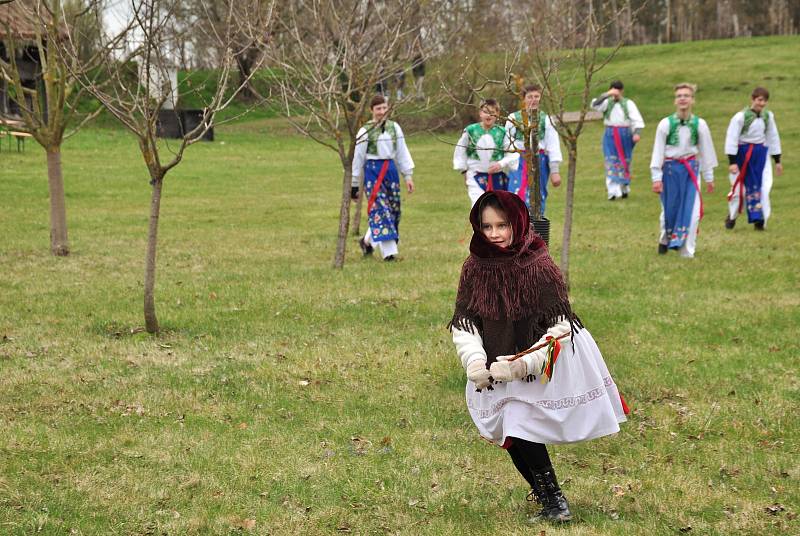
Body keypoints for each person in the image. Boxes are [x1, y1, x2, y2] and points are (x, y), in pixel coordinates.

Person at [450, 190, 628, 523]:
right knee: (509, 434)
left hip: (542, 361)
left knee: (518, 424)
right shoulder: (475, 266)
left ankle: (555, 501)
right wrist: (474, 360)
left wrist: (521, 365)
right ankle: (547, 497)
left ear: (517, 222)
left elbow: (560, 327)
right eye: (486, 227)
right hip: (494, 361)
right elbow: (465, 321)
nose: (494, 234)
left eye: (501, 225)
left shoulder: (538, 265)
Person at [650, 83, 717, 258]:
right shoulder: (665, 124)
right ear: (675, 101)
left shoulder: (700, 124)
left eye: (686, 95)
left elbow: (705, 152)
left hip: (691, 172)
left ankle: (687, 252)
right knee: (669, 210)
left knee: (693, 213)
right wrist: (656, 178)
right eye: (679, 96)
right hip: (670, 171)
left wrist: (709, 177)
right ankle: (665, 238)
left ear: (692, 100)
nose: (682, 99)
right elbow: (658, 151)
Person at [351, 95, 415, 261]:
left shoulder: (395, 128)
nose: (381, 112)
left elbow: (402, 152)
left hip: (391, 172)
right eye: (378, 108)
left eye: (384, 108)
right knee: (381, 210)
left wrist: (407, 176)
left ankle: (367, 242)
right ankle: (390, 254)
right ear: (371, 110)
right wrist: (354, 185)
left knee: (393, 211)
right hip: (373, 173)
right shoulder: (365, 131)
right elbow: (358, 159)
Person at [723, 86, 783, 231]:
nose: (761, 104)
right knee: (739, 190)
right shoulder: (741, 117)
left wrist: (777, 160)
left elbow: (773, 137)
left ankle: (759, 220)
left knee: (763, 187)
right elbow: (732, 137)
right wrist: (732, 161)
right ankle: (732, 216)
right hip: (742, 154)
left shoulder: (767, 116)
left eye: (764, 101)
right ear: (753, 99)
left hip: (760, 154)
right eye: (759, 100)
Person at [505, 84, 563, 214]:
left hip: (539, 161)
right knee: (517, 191)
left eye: (536, 96)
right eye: (530, 96)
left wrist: (555, 171)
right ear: (524, 99)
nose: (534, 99)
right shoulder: (513, 118)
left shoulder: (546, 119)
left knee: (537, 193)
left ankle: (535, 227)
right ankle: (517, 225)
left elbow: (553, 145)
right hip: (518, 161)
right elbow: (507, 143)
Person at [453, 99, 519, 207]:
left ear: (497, 114)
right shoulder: (470, 130)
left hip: (497, 177)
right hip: (475, 175)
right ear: (480, 113)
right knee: (478, 206)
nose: (488, 115)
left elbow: (513, 153)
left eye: (492, 112)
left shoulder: (502, 132)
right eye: (485, 112)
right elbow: (460, 150)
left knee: (498, 208)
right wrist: (464, 171)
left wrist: (500, 164)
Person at [591, 80, 645, 200]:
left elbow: (637, 119)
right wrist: (607, 94)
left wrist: (636, 133)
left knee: (624, 160)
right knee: (611, 160)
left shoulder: (628, 103)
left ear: (622, 91)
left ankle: (624, 187)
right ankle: (612, 192)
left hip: (624, 134)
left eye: (618, 91)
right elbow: (595, 105)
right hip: (610, 134)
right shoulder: (606, 103)